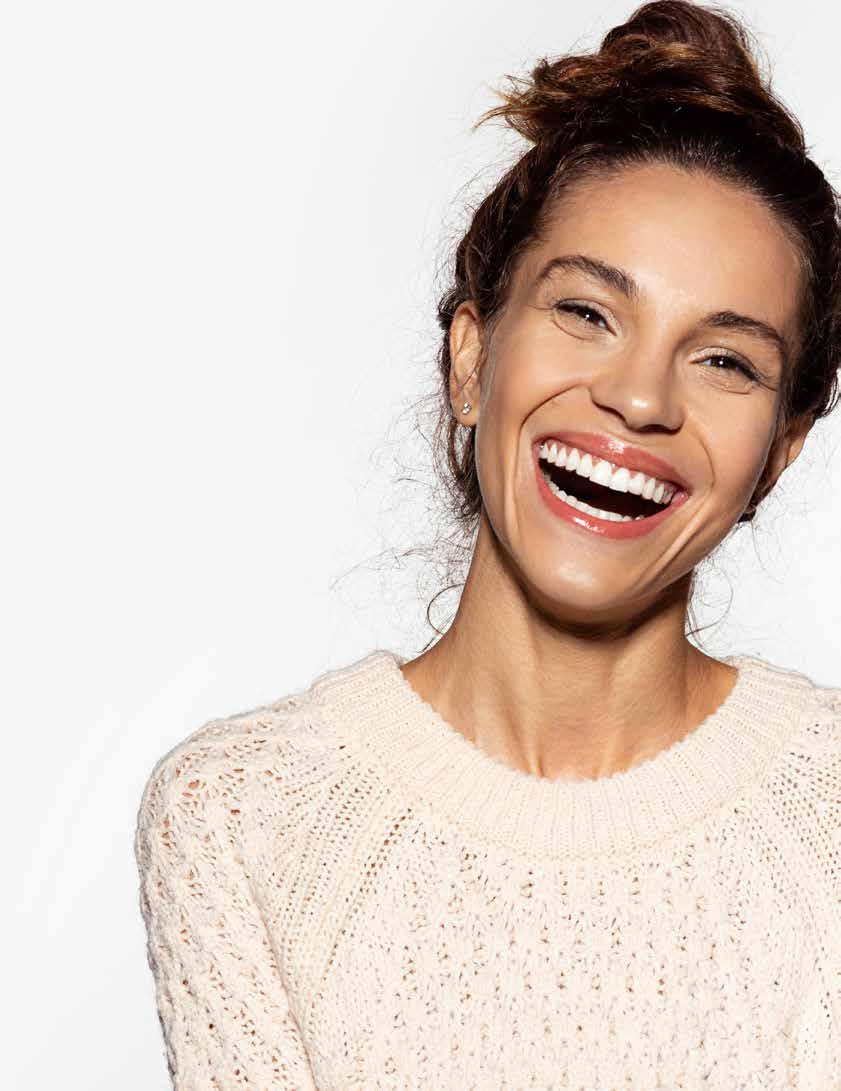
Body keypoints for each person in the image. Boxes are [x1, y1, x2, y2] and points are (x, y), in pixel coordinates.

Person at [134, 1, 841, 1086]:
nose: (638, 398)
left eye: (725, 361)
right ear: (471, 360)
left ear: (779, 453)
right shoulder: (241, 814)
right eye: (586, 312)